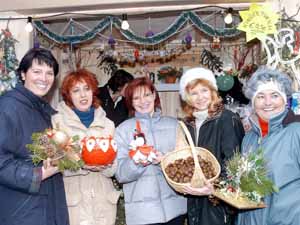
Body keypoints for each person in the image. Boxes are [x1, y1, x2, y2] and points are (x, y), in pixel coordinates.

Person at [0, 48, 69, 225]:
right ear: (23, 74)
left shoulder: (39, 108)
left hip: (46, 205)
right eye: (37, 71)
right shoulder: (8, 107)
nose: (43, 79)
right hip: (21, 211)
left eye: (49, 73)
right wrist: (38, 174)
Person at [114, 77, 187, 225]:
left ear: (154, 95)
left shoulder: (174, 125)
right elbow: (120, 174)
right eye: (136, 98)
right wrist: (137, 162)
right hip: (143, 214)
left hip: (175, 210)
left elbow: (187, 165)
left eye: (147, 95)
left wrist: (165, 161)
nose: (143, 101)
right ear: (131, 102)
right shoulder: (123, 129)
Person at [51, 69, 120, 225]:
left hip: (104, 202)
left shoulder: (108, 124)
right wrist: (83, 165)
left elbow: (114, 167)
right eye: (76, 90)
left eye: (87, 89)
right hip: (75, 204)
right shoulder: (58, 122)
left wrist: (105, 166)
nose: (83, 95)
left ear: (93, 91)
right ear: (68, 95)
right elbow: (56, 164)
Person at [178, 67, 245, 225]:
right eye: (194, 93)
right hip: (195, 201)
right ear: (187, 97)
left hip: (219, 205)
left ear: (213, 92)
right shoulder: (188, 124)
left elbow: (235, 166)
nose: (200, 97)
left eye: (204, 90)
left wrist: (214, 190)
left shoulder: (227, 119)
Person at [237, 68, 300, 225]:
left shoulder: (296, 132)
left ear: (285, 99)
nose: (267, 102)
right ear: (253, 102)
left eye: (274, 95)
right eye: (260, 96)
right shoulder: (249, 138)